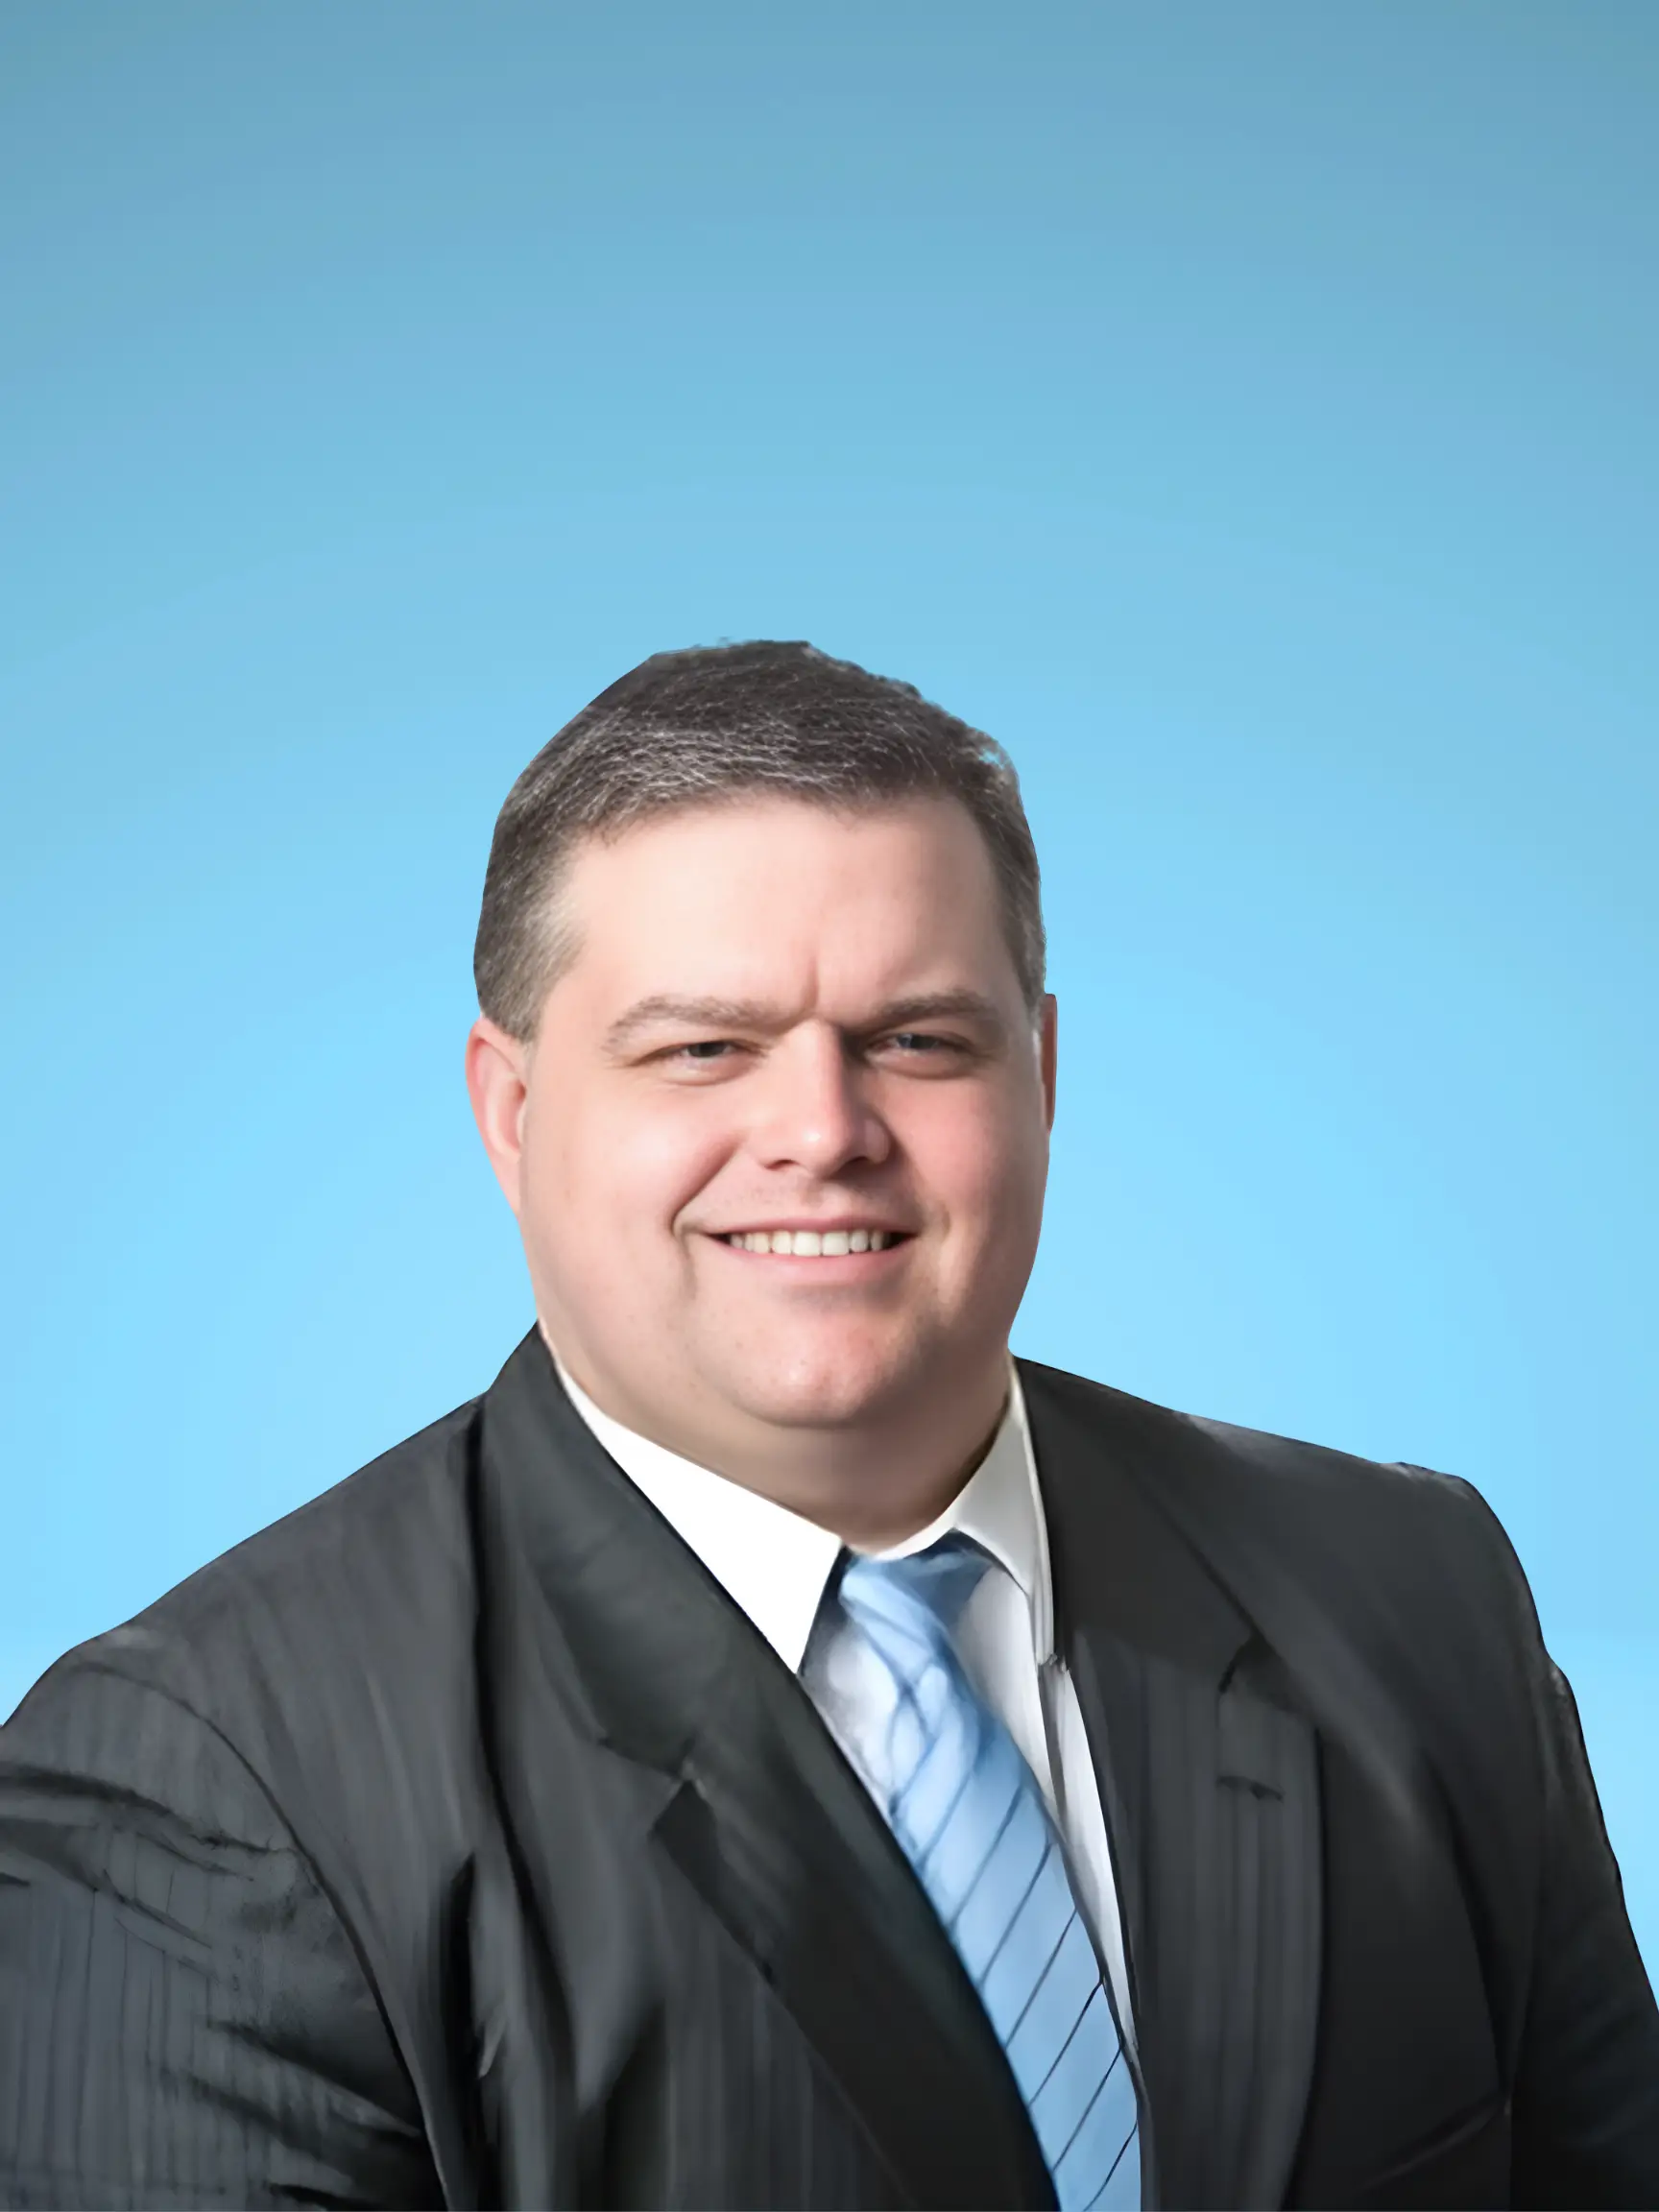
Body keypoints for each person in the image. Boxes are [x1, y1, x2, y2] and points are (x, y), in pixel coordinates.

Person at [1, 641, 1655, 2212]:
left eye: (916, 1040)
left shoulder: (1412, 1595)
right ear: (512, 1114)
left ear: (1044, 1074)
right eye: (705, 1049)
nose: (822, 1131)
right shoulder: (205, 1792)